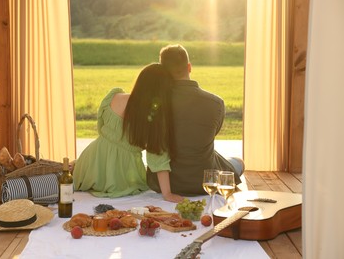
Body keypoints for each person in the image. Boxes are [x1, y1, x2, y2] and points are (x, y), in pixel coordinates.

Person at [73, 63, 183, 202]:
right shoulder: (154, 115)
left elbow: (100, 127)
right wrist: (167, 194)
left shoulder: (114, 96)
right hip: (122, 174)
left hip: (90, 163)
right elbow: (158, 157)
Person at [146, 44, 245, 196]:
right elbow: (210, 134)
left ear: (163, 71)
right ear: (189, 67)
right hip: (206, 180)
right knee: (238, 162)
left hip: (166, 184)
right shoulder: (216, 102)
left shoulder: (155, 104)